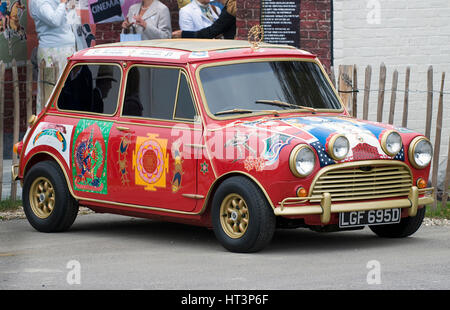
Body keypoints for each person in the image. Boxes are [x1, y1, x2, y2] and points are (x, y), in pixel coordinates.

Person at [29, 0, 76, 111]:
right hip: (53, 50)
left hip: (63, 49)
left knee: (65, 90)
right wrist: (62, 3)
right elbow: (54, 20)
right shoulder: (39, 2)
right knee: (49, 93)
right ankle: (46, 124)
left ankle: (63, 122)